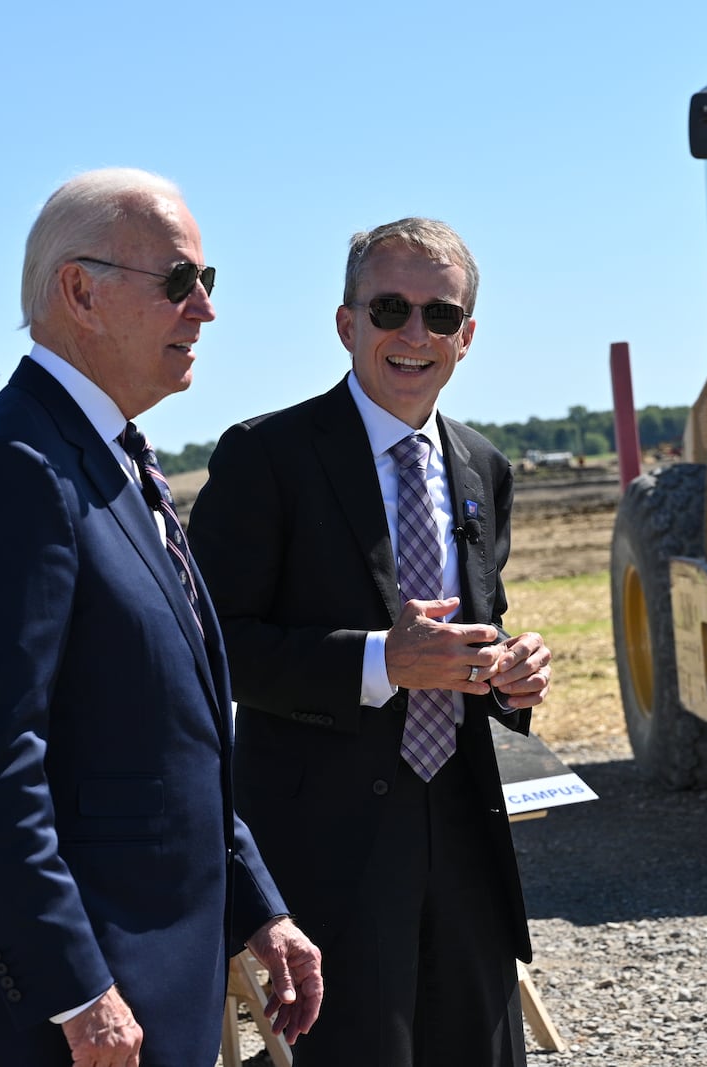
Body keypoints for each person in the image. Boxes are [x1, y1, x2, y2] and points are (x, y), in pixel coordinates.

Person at [0, 168, 323, 1067]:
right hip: (71, 1020)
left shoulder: (110, 454)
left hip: (152, 986)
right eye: (177, 282)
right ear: (79, 292)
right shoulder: (15, 467)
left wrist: (259, 908)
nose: (204, 309)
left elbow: (170, 732)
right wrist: (76, 991)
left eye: (209, 281)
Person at [188, 217, 552, 1067]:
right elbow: (212, 650)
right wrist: (378, 661)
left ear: (467, 335)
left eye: (438, 313)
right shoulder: (265, 456)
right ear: (347, 323)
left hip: (464, 834)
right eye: (390, 307)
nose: (413, 333)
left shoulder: (482, 465)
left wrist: (506, 675)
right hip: (329, 853)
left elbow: (476, 621)